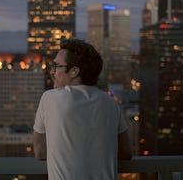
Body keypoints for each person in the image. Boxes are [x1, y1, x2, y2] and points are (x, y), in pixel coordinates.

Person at [33, 39, 132, 179]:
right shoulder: (111, 103)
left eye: (56, 66)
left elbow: (40, 152)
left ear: (74, 71)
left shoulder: (50, 98)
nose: (52, 72)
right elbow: (126, 152)